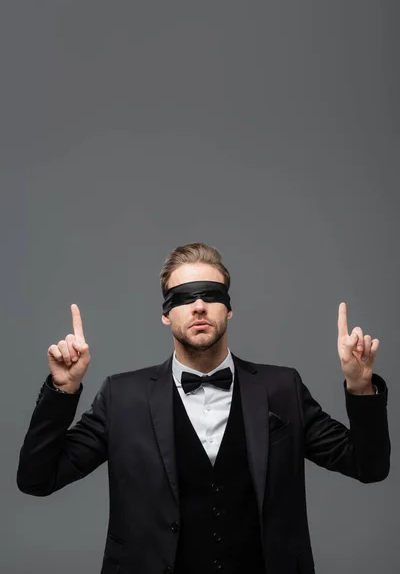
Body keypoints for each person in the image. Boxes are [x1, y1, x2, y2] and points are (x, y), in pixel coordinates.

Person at [17, 242, 390, 574]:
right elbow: (37, 479)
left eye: (211, 295)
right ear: (166, 314)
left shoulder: (281, 388)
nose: (198, 306)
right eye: (182, 298)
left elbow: (368, 466)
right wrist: (63, 390)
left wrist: (360, 387)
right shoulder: (122, 397)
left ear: (228, 310)